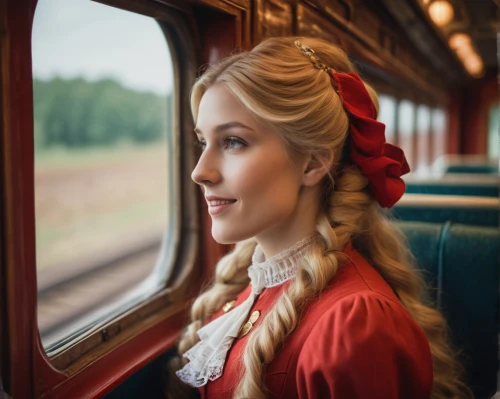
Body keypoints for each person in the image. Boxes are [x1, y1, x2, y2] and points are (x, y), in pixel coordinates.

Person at [166, 37, 470, 399]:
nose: (200, 172)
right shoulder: (255, 284)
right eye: (204, 142)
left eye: (233, 142)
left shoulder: (355, 326)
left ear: (313, 162)